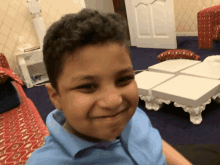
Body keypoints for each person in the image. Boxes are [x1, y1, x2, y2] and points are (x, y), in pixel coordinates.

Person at [26, 8, 193, 165]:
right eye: (88, 86)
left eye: (123, 79)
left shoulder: (128, 114)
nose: (114, 101)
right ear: (56, 97)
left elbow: (152, 141)